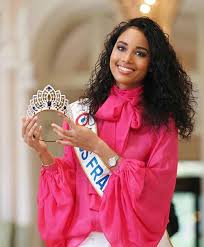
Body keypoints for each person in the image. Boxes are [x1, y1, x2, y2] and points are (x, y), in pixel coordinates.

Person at [22, 17, 196, 246]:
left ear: (153, 64)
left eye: (140, 53)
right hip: (85, 240)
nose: (126, 58)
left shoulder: (162, 124)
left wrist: (97, 146)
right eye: (121, 48)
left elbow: (155, 192)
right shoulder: (82, 115)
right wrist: (43, 153)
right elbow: (73, 186)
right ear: (110, 52)